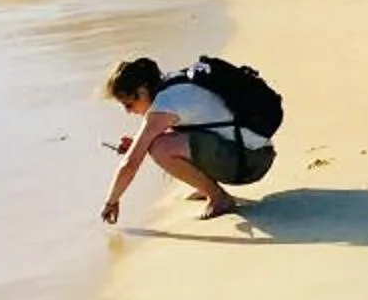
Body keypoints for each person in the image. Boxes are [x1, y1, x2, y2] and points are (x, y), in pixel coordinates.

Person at [100, 56, 274, 222]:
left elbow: (130, 164)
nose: (128, 112)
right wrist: (138, 145)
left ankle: (218, 197)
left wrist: (111, 202)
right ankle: (207, 187)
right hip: (256, 153)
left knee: (160, 148)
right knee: (156, 143)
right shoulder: (172, 85)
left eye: (128, 104)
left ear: (142, 91)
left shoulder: (163, 106)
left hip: (249, 162)